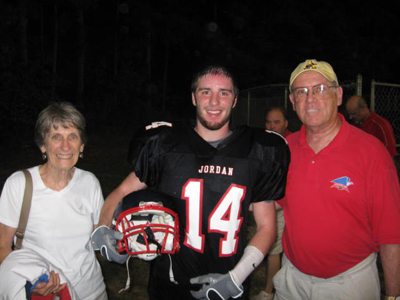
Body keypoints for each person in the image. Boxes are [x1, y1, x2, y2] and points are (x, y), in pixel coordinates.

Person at [92, 65, 290, 299]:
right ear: (194, 98)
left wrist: (237, 276)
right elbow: (121, 191)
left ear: (235, 100)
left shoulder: (257, 151)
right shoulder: (166, 146)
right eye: (206, 92)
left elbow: (267, 227)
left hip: (227, 281)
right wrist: (103, 227)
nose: (214, 101)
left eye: (223, 93)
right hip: (169, 282)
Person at [273, 59, 400, 300]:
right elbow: (270, 202)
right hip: (292, 280)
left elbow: (392, 234)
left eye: (320, 89)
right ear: (293, 101)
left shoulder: (371, 152)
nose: (310, 99)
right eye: (301, 92)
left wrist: (394, 295)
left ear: (339, 95)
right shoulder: (284, 150)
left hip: (348, 284)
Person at [0, 102, 107, 299]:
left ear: (81, 145)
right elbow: (3, 246)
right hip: (46, 293)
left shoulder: (90, 182)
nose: (65, 146)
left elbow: (97, 238)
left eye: (72, 137)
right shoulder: (19, 184)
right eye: (56, 137)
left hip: (92, 291)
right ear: (43, 145)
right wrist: (28, 285)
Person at [252, 107, 291, 300]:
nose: (272, 126)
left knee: (274, 249)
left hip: (281, 203)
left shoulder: (291, 144)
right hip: (268, 201)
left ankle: (269, 292)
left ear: (286, 123)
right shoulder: (265, 142)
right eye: (268, 122)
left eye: (277, 122)